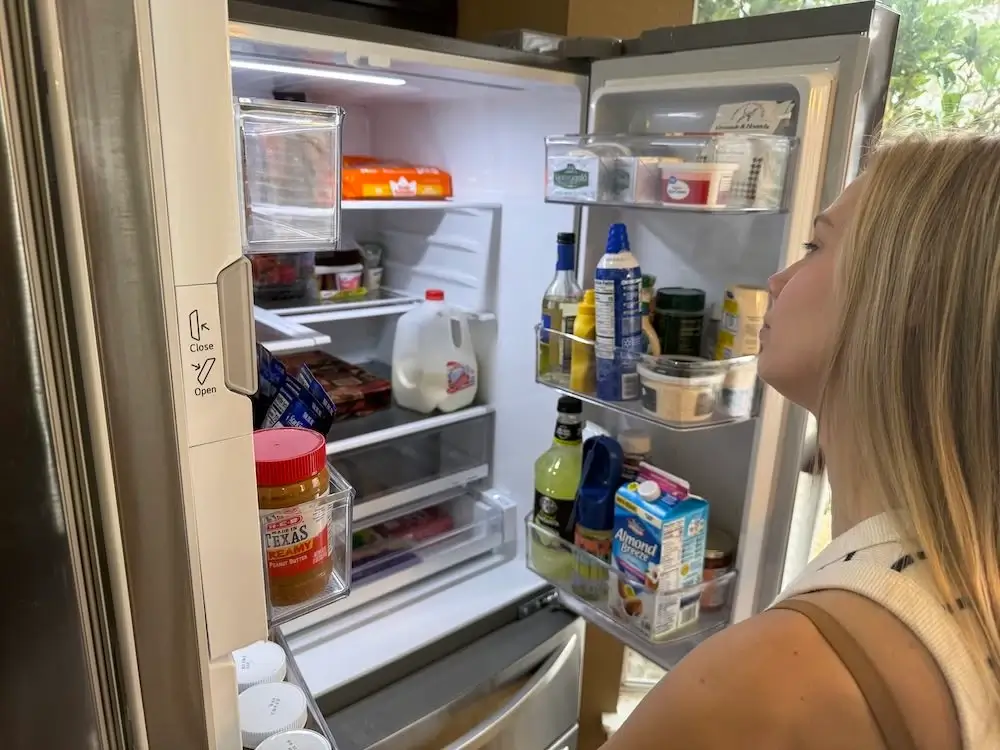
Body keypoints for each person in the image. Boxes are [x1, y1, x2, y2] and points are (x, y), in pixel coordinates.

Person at [602, 133, 1000, 750]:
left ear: (904, 301)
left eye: (816, 245)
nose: (780, 276)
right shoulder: (971, 572)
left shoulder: (767, 685)